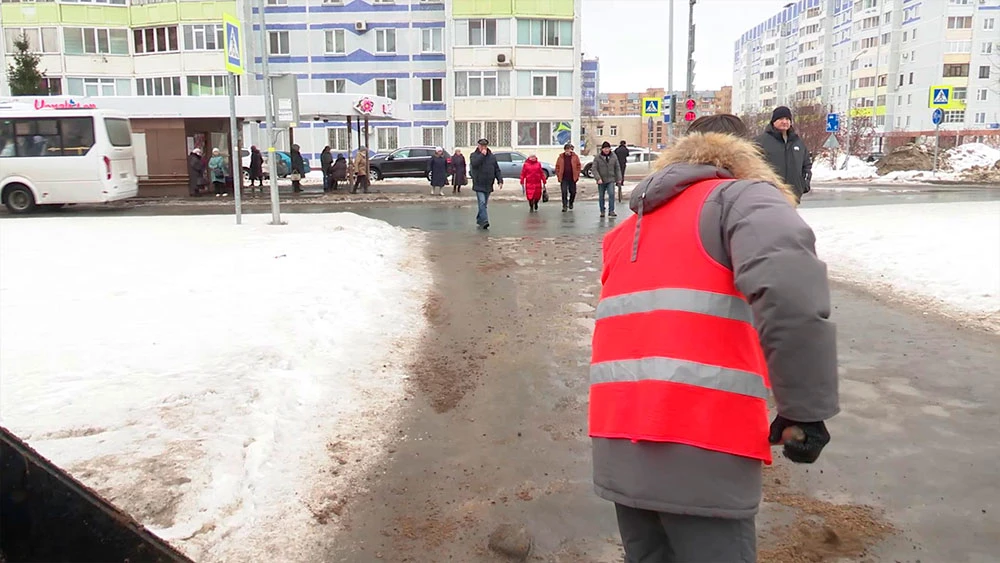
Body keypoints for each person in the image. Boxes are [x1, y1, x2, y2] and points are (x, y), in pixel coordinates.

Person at [591, 114, 838, 563]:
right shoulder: (742, 199)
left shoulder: (627, 230)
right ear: (749, 155)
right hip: (703, 441)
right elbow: (790, 296)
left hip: (618, 443)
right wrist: (805, 410)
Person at [754, 106, 813, 203]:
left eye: (787, 119)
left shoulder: (797, 142)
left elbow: (806, 165)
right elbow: (752, 167)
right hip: (769, 196)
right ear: (773, 121)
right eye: (781, 119)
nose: (785, 122)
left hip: (793, 196)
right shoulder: (761, 141)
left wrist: (804, 184)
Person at [470, 138, 502, 230]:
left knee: (484, 204)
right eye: (481, 146)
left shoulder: (492, 157)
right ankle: (484, 221)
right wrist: (482, 155)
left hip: (488, 184)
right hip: (479, 183)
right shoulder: (474, 155)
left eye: (485, 146)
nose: (483, 148)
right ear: (478, 146)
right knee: (482, 202)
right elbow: (474, 164)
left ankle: (479, 219)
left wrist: (500, 180)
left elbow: (496, 169)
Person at [591, 141, 623, 218]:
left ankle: (611, 211)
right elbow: (594, 169)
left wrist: (619, 178)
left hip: (611, 179)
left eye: (608, 148)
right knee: (601, 196)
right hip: (601, 180)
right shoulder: (597, 157)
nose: (606, 150)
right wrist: (598, 178)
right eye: (605, 148)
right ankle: (602, 211)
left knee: (611, 194)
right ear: (602, 149)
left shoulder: (613, 156)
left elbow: (617, 168)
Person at [554, 143, 581, 212]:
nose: (568, 151)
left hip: (572, 178)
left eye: (569, 149)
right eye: (567, 149)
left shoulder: (575, 157)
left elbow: (578, 166)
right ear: (565, 150)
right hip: (564, 178)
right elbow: (557, 167)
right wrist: (558, 175)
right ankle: (564, 206)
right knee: (564, 192)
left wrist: (577, 175)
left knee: (573, 192)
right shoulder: (561, 157)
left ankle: (571, 202)